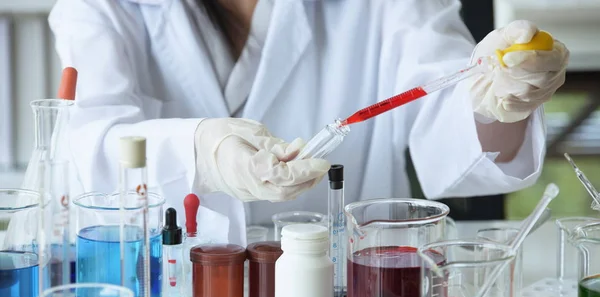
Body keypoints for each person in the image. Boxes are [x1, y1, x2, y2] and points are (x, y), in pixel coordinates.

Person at [49, 0, 568, 245]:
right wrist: (200, 150)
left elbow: (445, 106)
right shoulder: (103, 7)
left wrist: (496, 100)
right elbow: (87, 146)